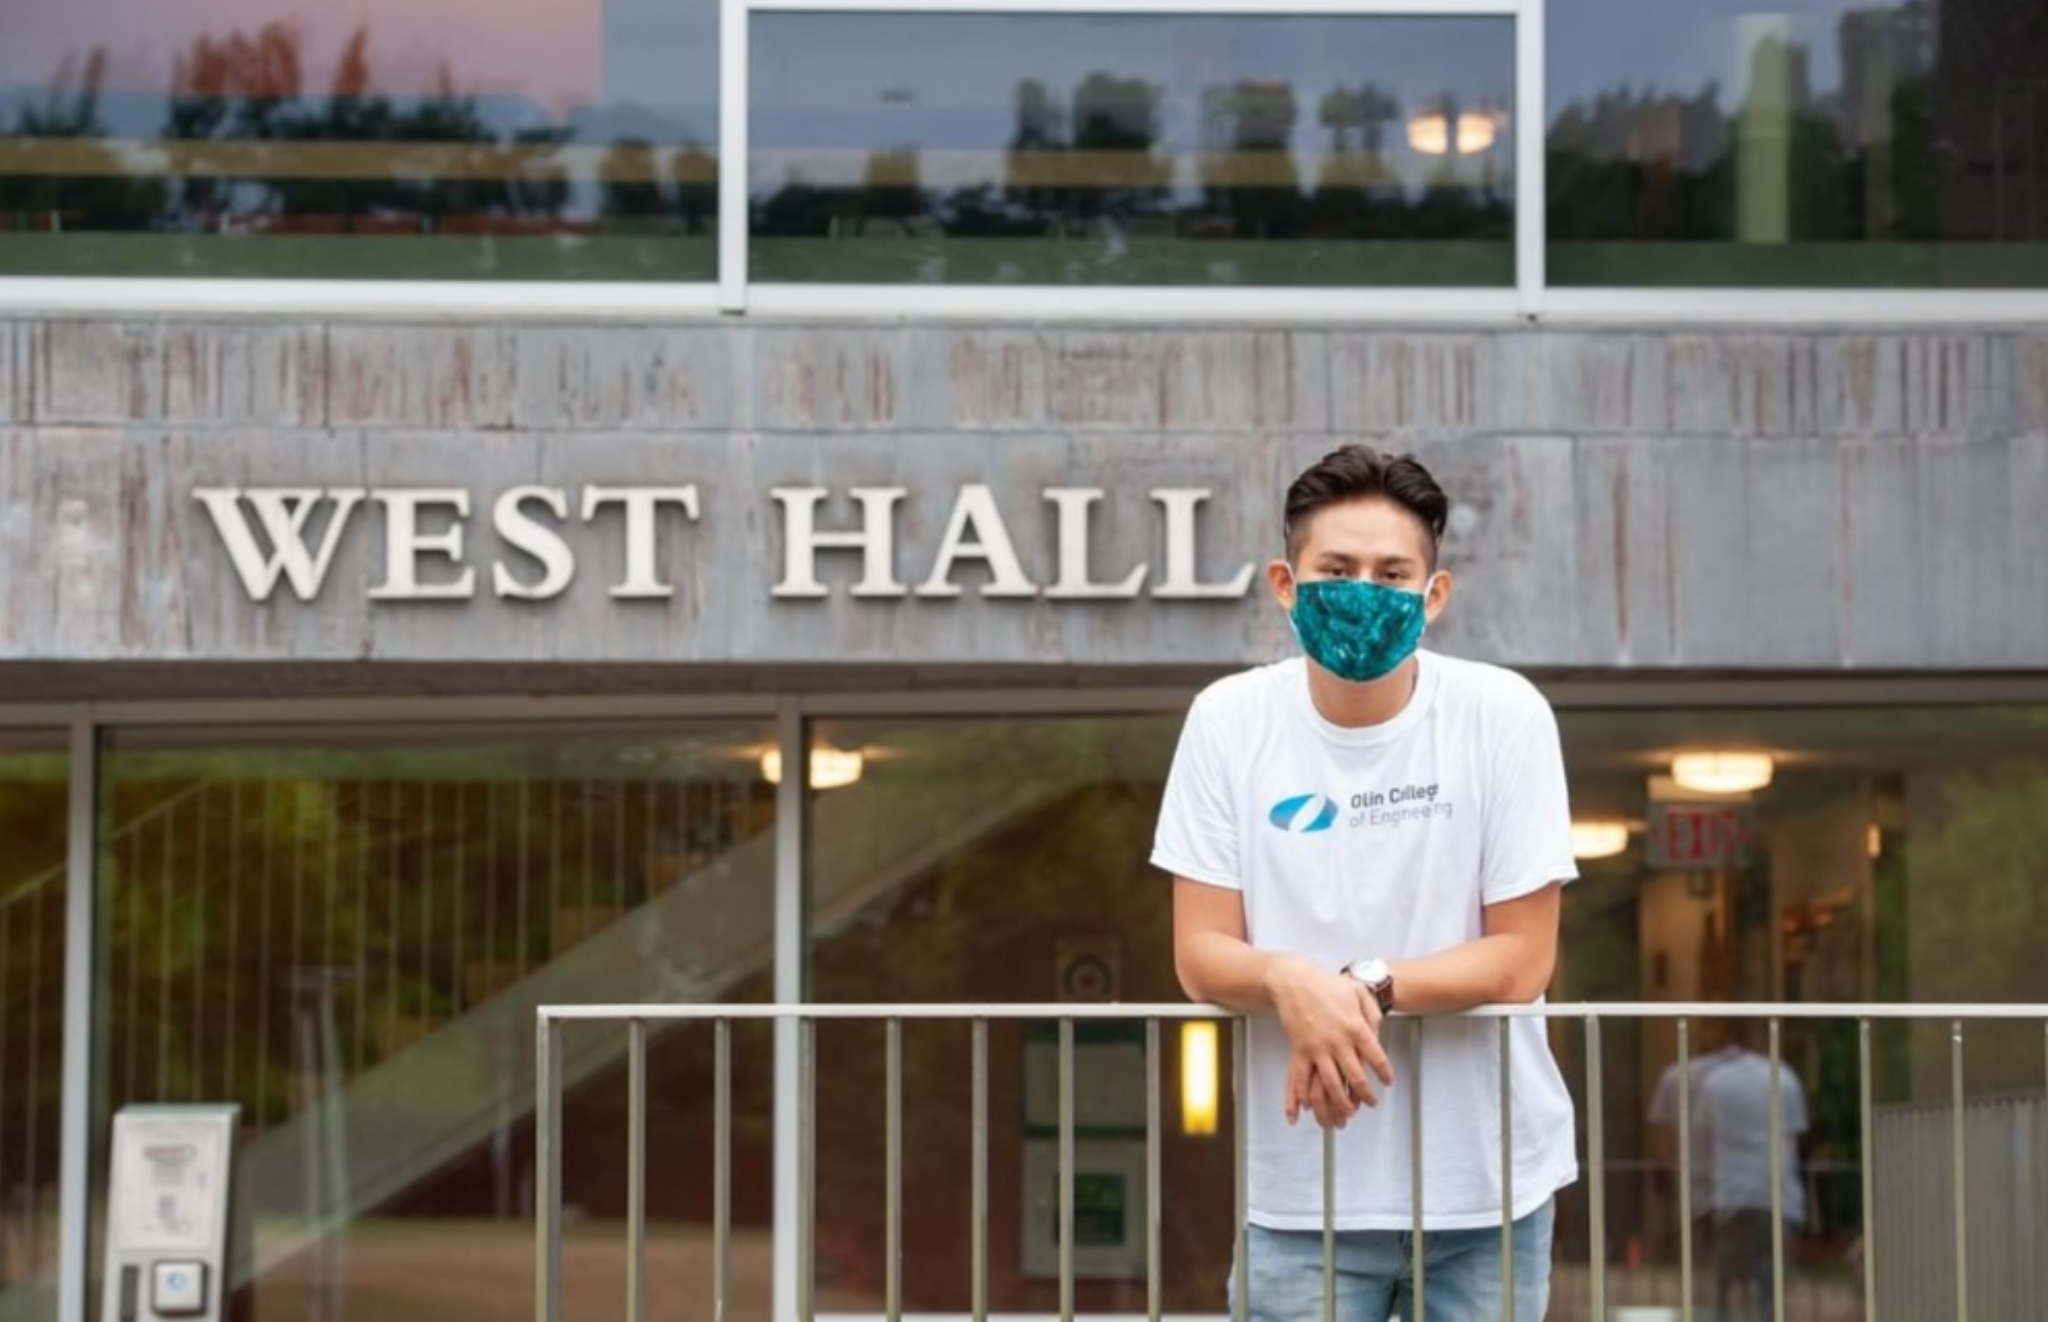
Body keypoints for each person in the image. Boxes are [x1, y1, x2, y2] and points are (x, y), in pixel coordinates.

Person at [1154, 445, 1579, 1322]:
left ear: (1435, 594)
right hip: (1300, 1193)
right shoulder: (1228, 722)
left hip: (1491, 1189)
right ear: (1285, 582)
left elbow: (1524, 958)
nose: (1364, 591)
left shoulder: (1505, 715)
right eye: (1336, 570)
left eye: (1393, 574)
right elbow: (1199, 952)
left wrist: (1364, 986)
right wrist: (1287, 980)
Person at [1648, 1019, 1810, 1322]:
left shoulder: (1714, 1084)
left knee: (1722, 1287)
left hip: (1728, 1198)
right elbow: (1793, 1141)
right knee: (1770, 1288)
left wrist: (1697, 1194)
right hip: (1776, 1197)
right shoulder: (1784, 1078)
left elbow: (1701, 1144)